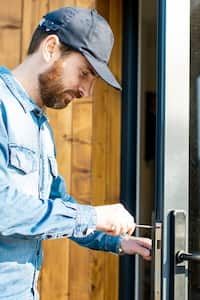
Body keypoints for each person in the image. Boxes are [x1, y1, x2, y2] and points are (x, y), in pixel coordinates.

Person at [0, 6, 151, 299]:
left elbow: (57, 206)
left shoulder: (40, 128)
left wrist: (117, 242)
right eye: (84, 73)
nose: (86, 92)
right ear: (51, 48)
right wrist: (92, 216)